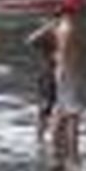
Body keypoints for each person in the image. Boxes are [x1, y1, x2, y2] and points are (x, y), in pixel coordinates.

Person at [50, 0, 86, 171]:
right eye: (83, 5)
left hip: (63, 73)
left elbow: (60, 55)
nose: (85, 8)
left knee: (60, 113)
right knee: (73, 117)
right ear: (77, 7)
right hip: (68, 75)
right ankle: (73, 161)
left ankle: (56, 156)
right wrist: (70, 75)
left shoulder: (61, 25)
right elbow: (65, 56)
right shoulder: (68, 28)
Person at [26, 12, 60, 146]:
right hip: (48, 74)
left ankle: (48, 136)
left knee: (54, 107)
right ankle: (40, 138)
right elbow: (30, 41)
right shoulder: (49, 33)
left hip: (58, 74)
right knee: (45, 107)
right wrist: (47, 27)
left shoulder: (64, 32)